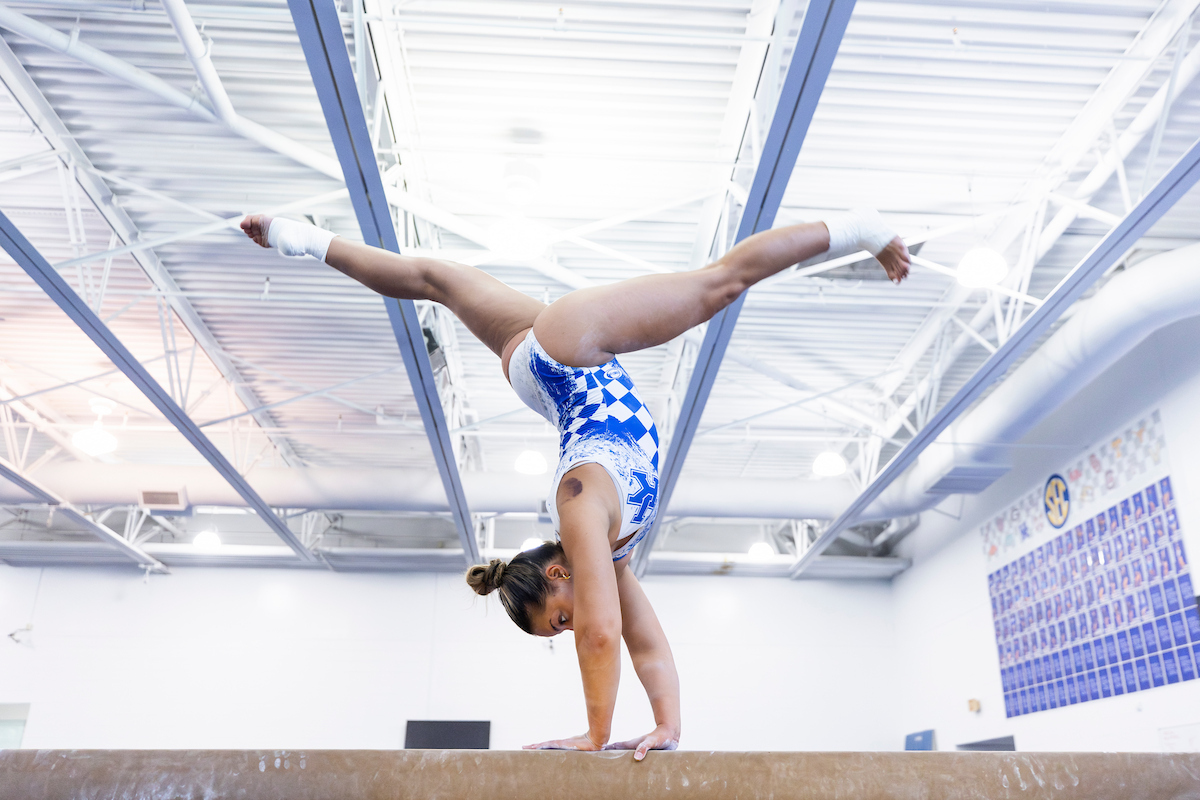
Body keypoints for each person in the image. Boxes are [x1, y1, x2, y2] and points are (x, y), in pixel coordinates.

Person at [241, 207, 909, 758]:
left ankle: (857, 227)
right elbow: (644, 642)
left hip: (571, 350)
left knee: (719, 285)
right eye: (559, 630)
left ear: (559, 574)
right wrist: (668, 726)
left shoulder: (579, 508)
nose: (573, 625)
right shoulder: (612, 554)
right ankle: (302, 237)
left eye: (558, 617)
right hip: (542, 375)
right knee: (433, 280)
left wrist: (595, 735)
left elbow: (601, 633)